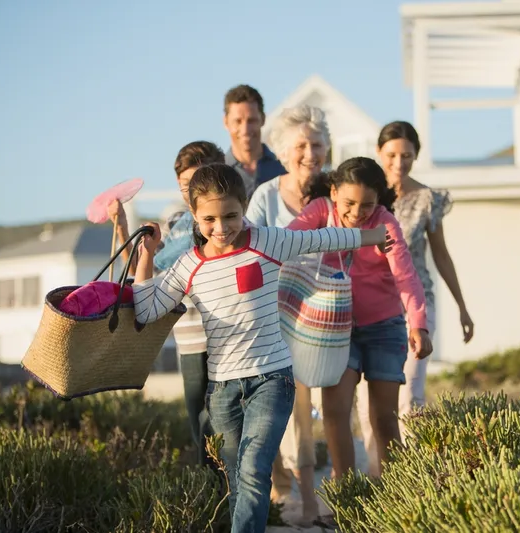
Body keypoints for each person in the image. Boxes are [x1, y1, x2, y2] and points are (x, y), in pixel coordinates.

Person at [132, 162, 393, 533]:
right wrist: (146, 254)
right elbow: (146, 308)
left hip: (272, 379)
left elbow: (322, 238)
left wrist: (374, 235)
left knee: (254, 470)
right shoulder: (189, 264)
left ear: (244, 206)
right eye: (209, 219)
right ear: (194, 214)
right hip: (222, 390)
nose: (221, 227)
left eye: (231, 216)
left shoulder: (267, 241)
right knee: (237, 479)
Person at [287, 157, 433, 480]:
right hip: (335, 329)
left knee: (384, 418)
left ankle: (397, 494)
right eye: (349, 203)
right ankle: (347, 493)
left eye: (367, 204)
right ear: (334, 192)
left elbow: (406, 275)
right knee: (335, 412)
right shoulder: (321, 211)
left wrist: (418, 323)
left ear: (379, 200)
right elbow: (288, 241)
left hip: (384, 327)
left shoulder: (385, 223)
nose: (356, 213)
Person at [355, 121, 475, 477]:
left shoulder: (427, 199)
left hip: (415, 303)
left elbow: (441, 255)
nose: (399, 162)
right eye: (392, 154)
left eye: (407, 155)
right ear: (379, 153)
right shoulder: (364, 194)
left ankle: (413, 476)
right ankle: (377, 473)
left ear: (416, 156)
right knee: (366, 399)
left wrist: (462, 306)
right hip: (369, 303)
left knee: (409, 393)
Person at [107, 141, 227, 466]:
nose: (193, 192)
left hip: (226, 339)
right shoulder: (177, 223)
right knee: (200, 429)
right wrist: (123, 228)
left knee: (226, 425)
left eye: (202, 180)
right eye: (186, 185)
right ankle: (213, 492)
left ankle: (235, 490)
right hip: (189, 342)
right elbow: (145, 276)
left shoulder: (228, 223)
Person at [246, 104, 330, 527]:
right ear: (283, 150)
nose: (309, 153)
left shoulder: (335, 193)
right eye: (301, 145)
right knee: (289, 410)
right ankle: (299, 498)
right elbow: (249, 250)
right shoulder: (266, 195)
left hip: (328, 318)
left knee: (320, 410)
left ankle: (327, 497)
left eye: (316, 144)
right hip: (277, 317)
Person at [222, 84, 286, 198]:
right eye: (238, 121)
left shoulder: (284, 169)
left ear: (263, 119)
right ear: (226, 122)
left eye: (251, 120)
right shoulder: (218, 174)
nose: (245, 129)